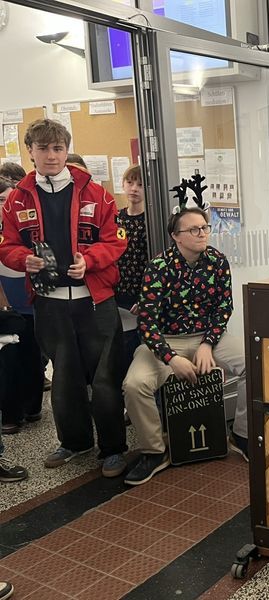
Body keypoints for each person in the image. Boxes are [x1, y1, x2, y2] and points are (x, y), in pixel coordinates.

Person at [0, 118, 129, 479]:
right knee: (64, 376)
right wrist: (22, 259)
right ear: (30, 152)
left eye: (58, 148)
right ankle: (75, 442)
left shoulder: (96, 192)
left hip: (95, 299)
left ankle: (113, 448)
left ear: (66, 149)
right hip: (49, 301)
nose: (52, 155)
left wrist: (90, 260)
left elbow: (115, 240)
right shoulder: (17, 199)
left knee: (104, 377)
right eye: (43, 148)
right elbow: (7, 244)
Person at [122, 207, 248, 485]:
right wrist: (170, 358)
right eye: (194, 229)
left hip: (208, 336)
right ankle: (154, 452)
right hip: (167, 340)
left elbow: (224, 308)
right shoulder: (158, 266)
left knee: (254, 364)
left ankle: (241, 435)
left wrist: (207, 344)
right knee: (134, 384)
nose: (202, 233)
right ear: (176, 236)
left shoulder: (217, 260)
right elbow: (146, 322)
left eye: (204, 227)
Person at [0, 179, 44, 433]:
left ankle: (33, 406)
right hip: (6, 305)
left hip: (30, 301)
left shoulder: (27, 223)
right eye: (0, 200)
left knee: (32, 355)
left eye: (7, 199)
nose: (4, 205)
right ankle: (11, 414)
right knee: (9, 360)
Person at [115, 164, 148, 369]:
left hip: (141, 293)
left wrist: (145, 296)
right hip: (118, 291)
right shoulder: (115, 218)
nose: (134, 188)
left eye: (140, 185)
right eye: (130, 182)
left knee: (141, 346)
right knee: (123, 347)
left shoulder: (151, 221)